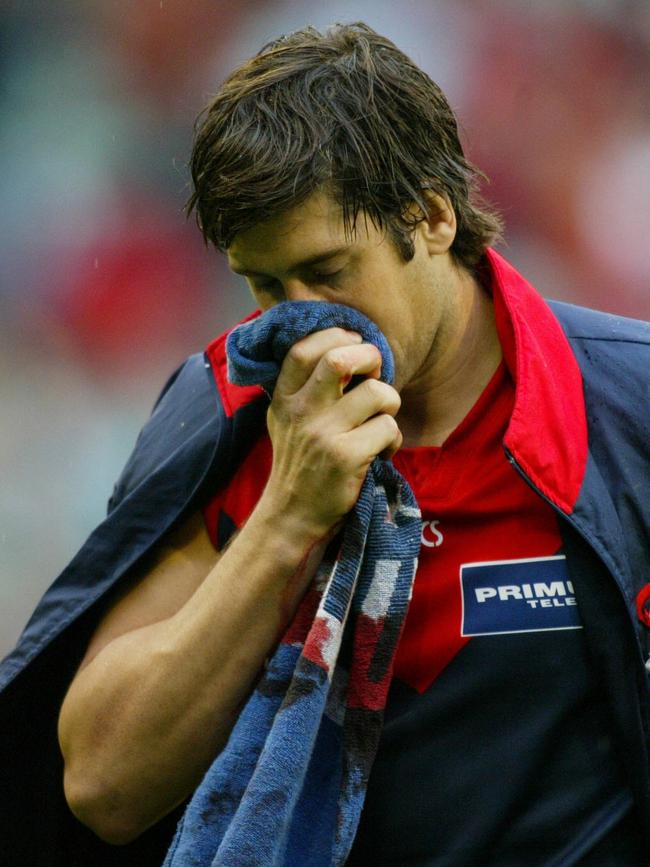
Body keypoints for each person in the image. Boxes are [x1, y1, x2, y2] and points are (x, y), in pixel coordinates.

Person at [1, 21, 650, 867]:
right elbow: (102, 783)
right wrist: (286, 520)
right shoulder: (230, 410)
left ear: (432, 214)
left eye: (329, 271)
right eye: (267, 287)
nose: (306, 325)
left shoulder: (626, 405)